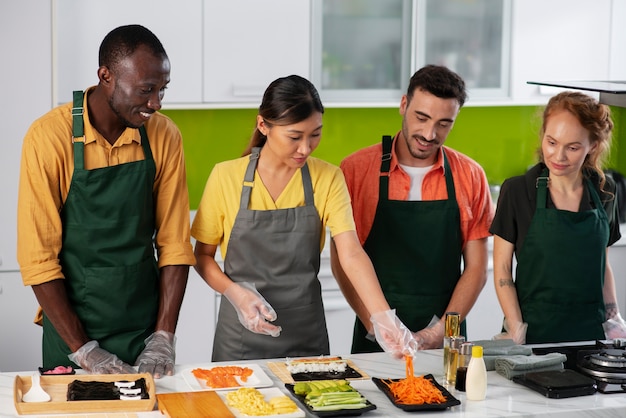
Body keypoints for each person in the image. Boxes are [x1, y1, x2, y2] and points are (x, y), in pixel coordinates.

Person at [191, 75, 416, 361]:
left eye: (315, 134)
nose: (305, 149)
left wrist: (383, 316)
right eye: (294, 137)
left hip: (306, 336)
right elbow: (202, 257)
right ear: (264, 126)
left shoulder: (328, 178)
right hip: (241, 337)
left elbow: (351, 254)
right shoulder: (226, 176)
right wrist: (235, 293)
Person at [17, 25, 195, 377]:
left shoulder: (164, 135)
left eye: (162, 90)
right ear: (106, 75)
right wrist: (84, 351)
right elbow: (38, 260)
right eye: (146, 90)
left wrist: (163, 336)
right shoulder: (49, 137)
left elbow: (175, 244)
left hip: (143, 328)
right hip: (71, 334)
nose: (156, 103)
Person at [331, 65, 494, 353]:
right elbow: (342, 261)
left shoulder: (470, 175)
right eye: (422, 118)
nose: (430, 133)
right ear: (404, 105)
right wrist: (376, 326)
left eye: (444, 123)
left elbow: (477, 269)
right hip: (375, 338)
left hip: (445, 338)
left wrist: (442, 330)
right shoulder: (356, 170)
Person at [490, 91, 626, 344]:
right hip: (533, 335)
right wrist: (516, 327)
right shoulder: (518, 191)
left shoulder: (605, 191)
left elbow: (602, 264)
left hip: (590, 336)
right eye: (552, 142)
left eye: (573, 147)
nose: (558, 156)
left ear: (593, 146)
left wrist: (613, 316)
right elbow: (503, 269)